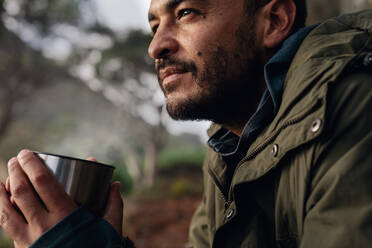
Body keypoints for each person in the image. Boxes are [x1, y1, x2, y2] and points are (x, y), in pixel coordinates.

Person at [0, 0, 371, 247]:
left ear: (273, 21)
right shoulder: (228, 146)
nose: (156, 46)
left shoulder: (353, 105)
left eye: (187, 12)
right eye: (154, 25)